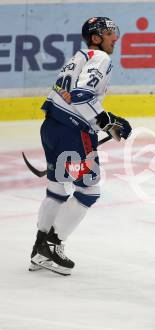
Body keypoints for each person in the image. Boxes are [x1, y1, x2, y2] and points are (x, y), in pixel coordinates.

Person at [29, 17, 132, 276]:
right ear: (96, 37)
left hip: (52, 127)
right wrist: (108, 122)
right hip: (72, 132)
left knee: (56, 188)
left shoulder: (79, 56)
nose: (115, 38)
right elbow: (81, 96)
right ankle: (51, 246)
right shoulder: (100, 58)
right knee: (89, 190)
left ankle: (39, 251)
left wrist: (107, 122)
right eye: (109, 33)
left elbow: (71, 97)